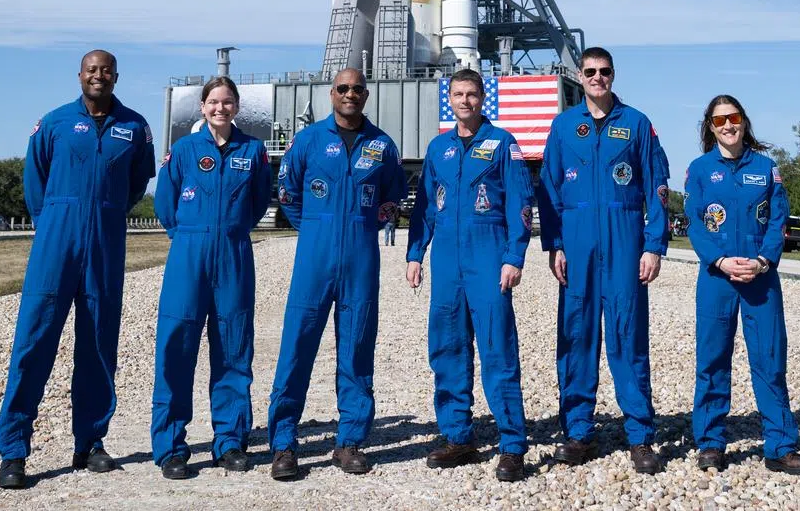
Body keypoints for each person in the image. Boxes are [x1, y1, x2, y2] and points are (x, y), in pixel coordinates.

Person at [0, 50, 157, 490]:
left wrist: (107, 211)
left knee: (99, 344)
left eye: (106, 70)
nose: (98, 75)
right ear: (80, 75)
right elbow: (35, 179)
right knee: (33, 343)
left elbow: (138, 182)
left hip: (105, 242)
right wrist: (53, 221)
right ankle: (13, 450)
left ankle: (91, 441)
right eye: (91, 70)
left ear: (116, 76)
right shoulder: (54, 122)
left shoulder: (135, 127)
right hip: (56, 243)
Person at [265, 67, 406, 480]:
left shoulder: (382, 145)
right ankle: (284, 443)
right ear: (332, 93)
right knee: (297, 346)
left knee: (357, 347)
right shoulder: (308, 140)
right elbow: (288, 192)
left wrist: (363, 226)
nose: (350, 94)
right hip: (315, 257)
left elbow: (393, 196)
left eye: (357, 89)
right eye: (343, 88)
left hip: (361, 257)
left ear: (366, 95)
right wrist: (316, 228)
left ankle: (350, 441)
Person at [536, 47, 671, 473]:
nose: (598, 78)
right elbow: (549, 189)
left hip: (624, 240)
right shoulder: (563, 126)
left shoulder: (636, 124)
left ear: (613, 75)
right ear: (580, 76)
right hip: (577, 244)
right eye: (590, 71)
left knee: (628, 335)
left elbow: (657, 187)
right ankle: (578, 431)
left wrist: (654, 246)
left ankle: (640, 435)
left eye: (604, 71)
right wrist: (555, 244)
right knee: (576, 335)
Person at [405, 68, 533, 482]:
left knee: (497, 349)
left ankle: (512, 444)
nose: (465, 101)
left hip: (487, 255)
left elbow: (520, 204)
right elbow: (425, 207)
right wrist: (415, 254)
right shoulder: (438, 148)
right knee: (447, 348)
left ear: (483, 98)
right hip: (446, 261)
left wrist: (514, 256)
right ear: (450, 99)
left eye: (472, 94)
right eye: (458, 94)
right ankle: (458, 436)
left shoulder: (503, 144)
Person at [150, 77, 274, 479]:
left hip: (234, 254)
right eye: (214, 102)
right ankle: (171, 446)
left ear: (237, 107)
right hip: (188, 253)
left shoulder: (253, 151)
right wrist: (188, 235)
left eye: (228, 102)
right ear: (203, 107)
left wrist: (231, 230)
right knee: (176, 347)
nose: (221, 108)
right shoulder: (184, 150)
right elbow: (165, 203)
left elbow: (258, 201)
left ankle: (230, 441)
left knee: (234, 348)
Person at [682, 95, 800, 475]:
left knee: (770, 360)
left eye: (734, 117)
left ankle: (780, 445)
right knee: (712, 360)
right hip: (717, 278)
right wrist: (720, 260)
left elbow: (778, 220)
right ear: (710, 127)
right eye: (719, 120)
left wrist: (762, 261)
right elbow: (694, 222)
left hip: (760, 278)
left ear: (744, 121)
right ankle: (710, 442)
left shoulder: (766, 168)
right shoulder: (700, 170)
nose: (728, 125)